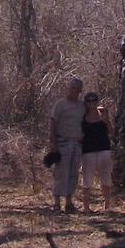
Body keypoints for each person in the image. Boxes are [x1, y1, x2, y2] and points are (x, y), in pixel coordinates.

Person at [46, 77, 85, 212]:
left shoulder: (82, 106)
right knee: (61, 173)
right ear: (67, 88)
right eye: (71, 87)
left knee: (73, 173)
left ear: (80, 90)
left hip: (77, 144)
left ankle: (69, 202)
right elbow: (53, 123)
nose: (73, 90)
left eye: (76, 88)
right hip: (63, 142)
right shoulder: (60, 104)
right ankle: (56, 203)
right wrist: (53, 143)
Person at [80, 91, 114, 212]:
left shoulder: (103, 113)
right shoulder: (82, 116)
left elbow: (112, 132)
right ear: (85, 102)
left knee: (106, 178)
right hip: (88, 151)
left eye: (94, 100)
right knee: (87, 180)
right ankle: (86, 207)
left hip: (104, 149)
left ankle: (107, 205)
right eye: (88, 101)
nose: (91, 103)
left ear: (97, 101)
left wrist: (106, 120)